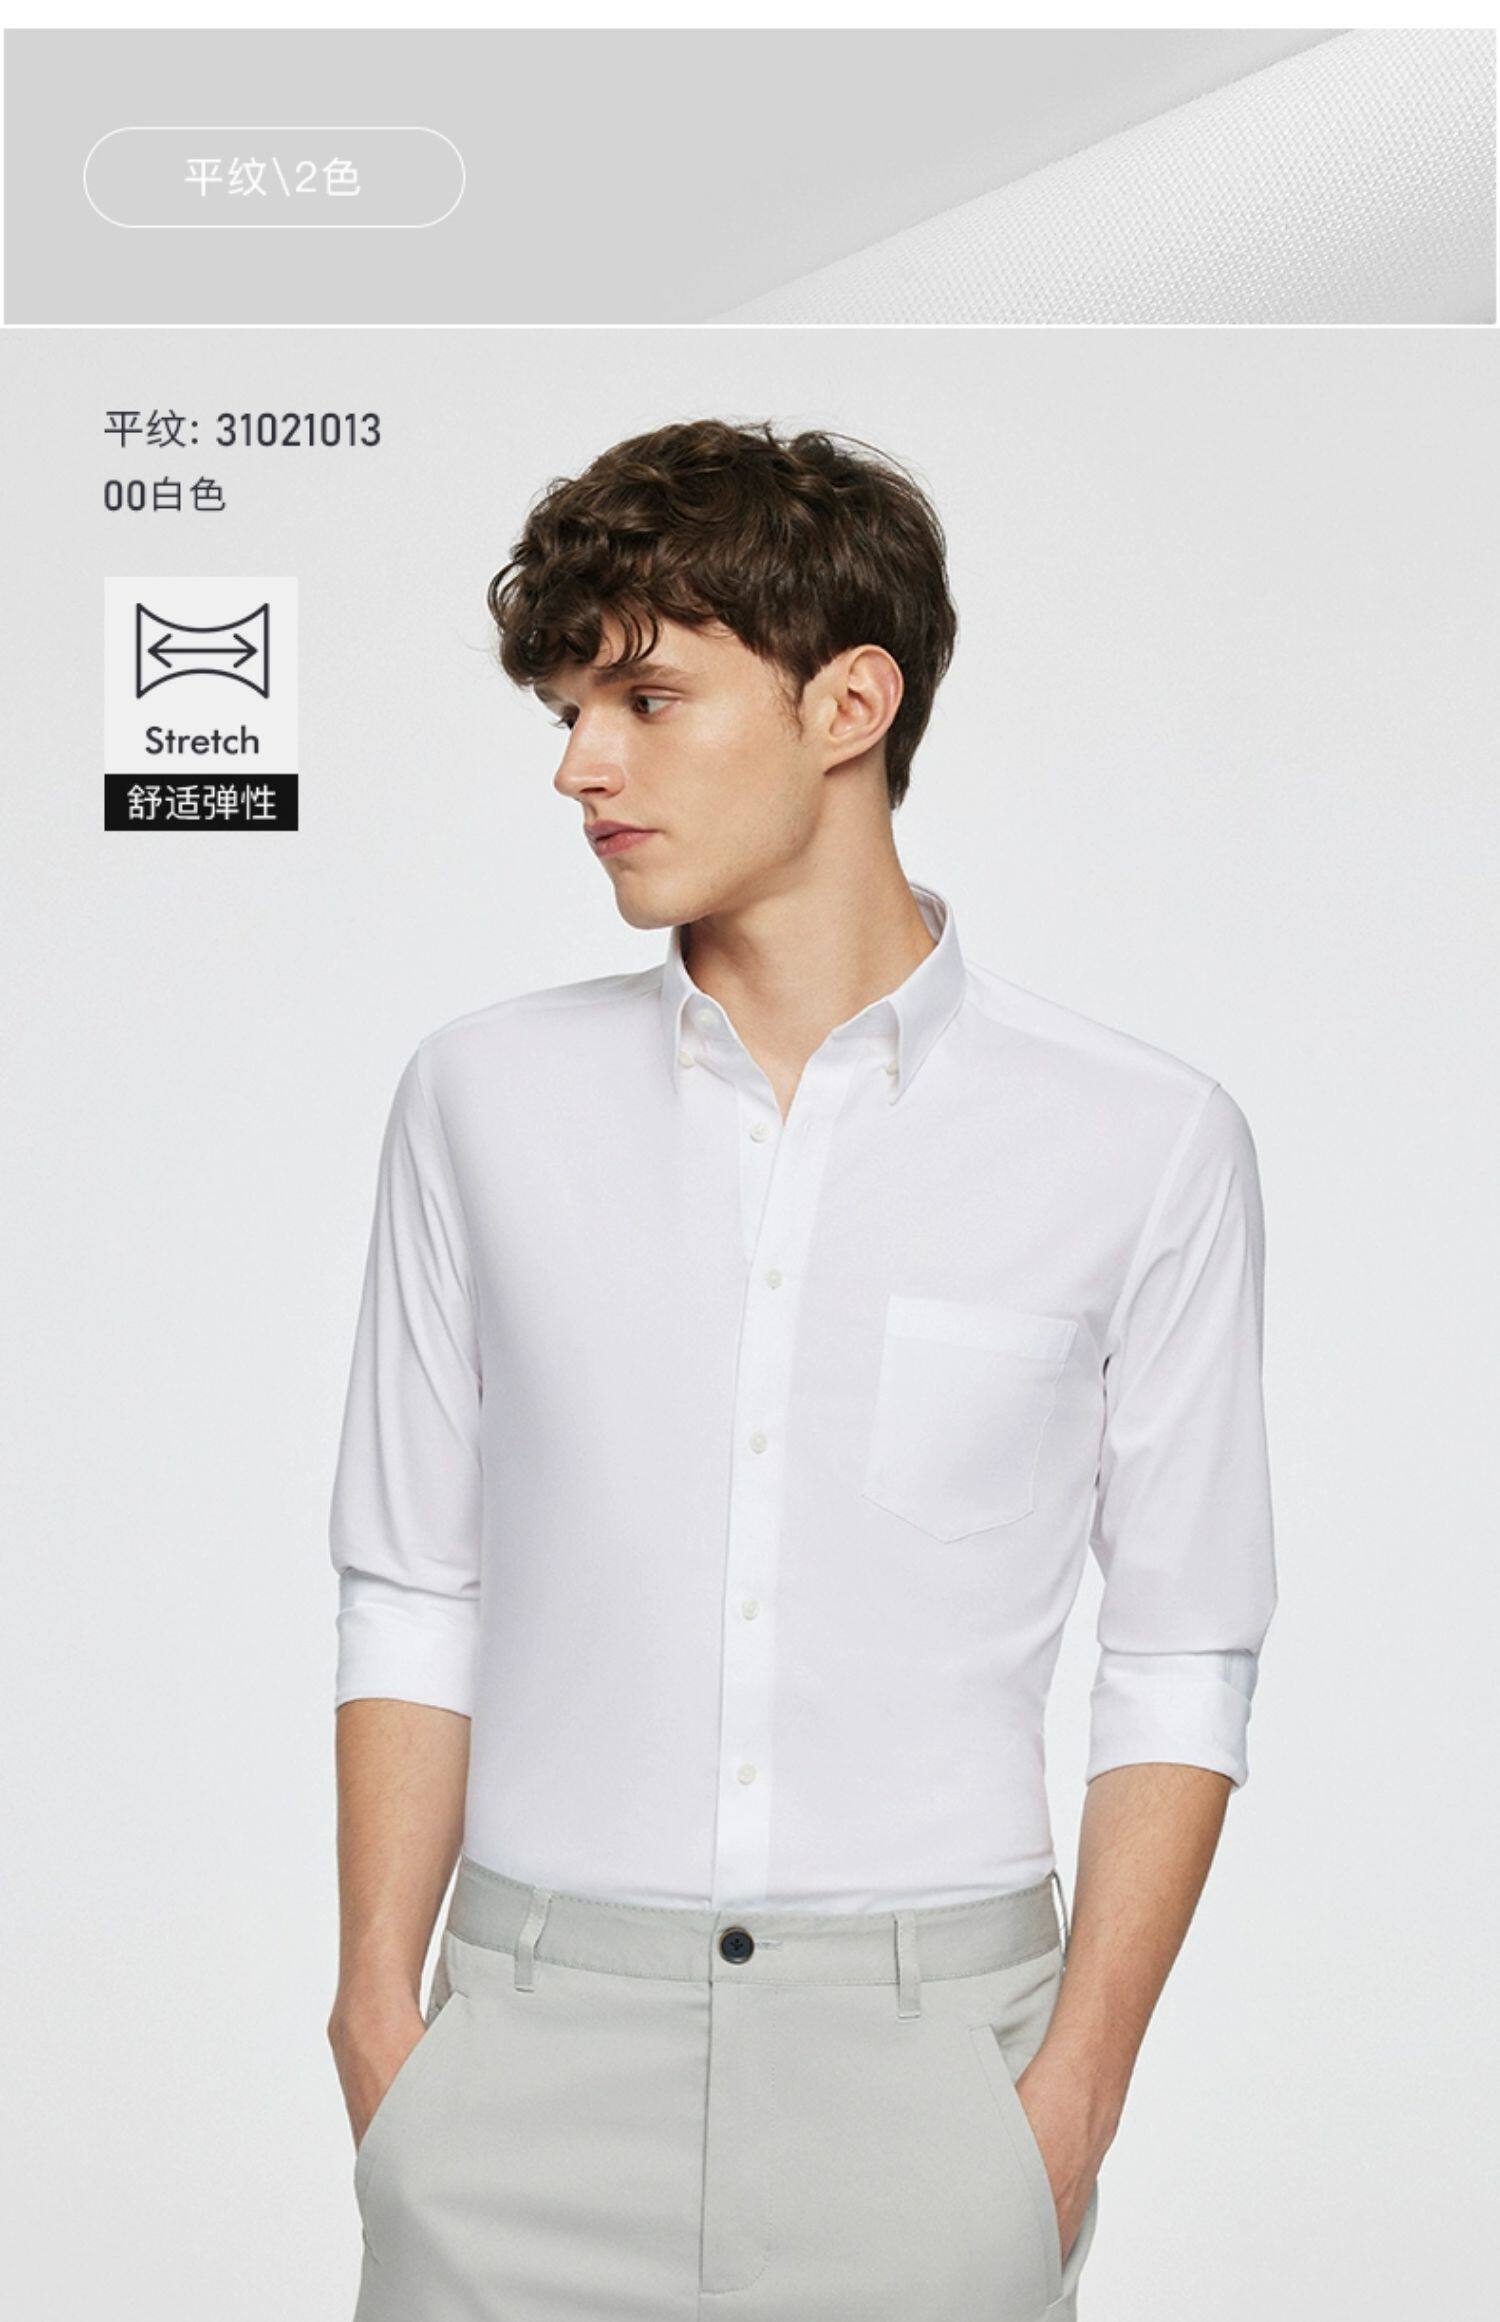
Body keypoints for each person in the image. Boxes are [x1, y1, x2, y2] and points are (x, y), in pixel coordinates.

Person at [325, 418, 1277, 2321]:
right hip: (523, 2053)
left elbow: (1183, 1644)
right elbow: (413, 1581)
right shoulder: (480, 1099)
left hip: (935, 2077)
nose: (582, 766)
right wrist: (379, 2022)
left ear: (850, 703)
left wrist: (1070, 2098)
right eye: (570, 712)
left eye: (647, 697)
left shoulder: (1140, 1139)